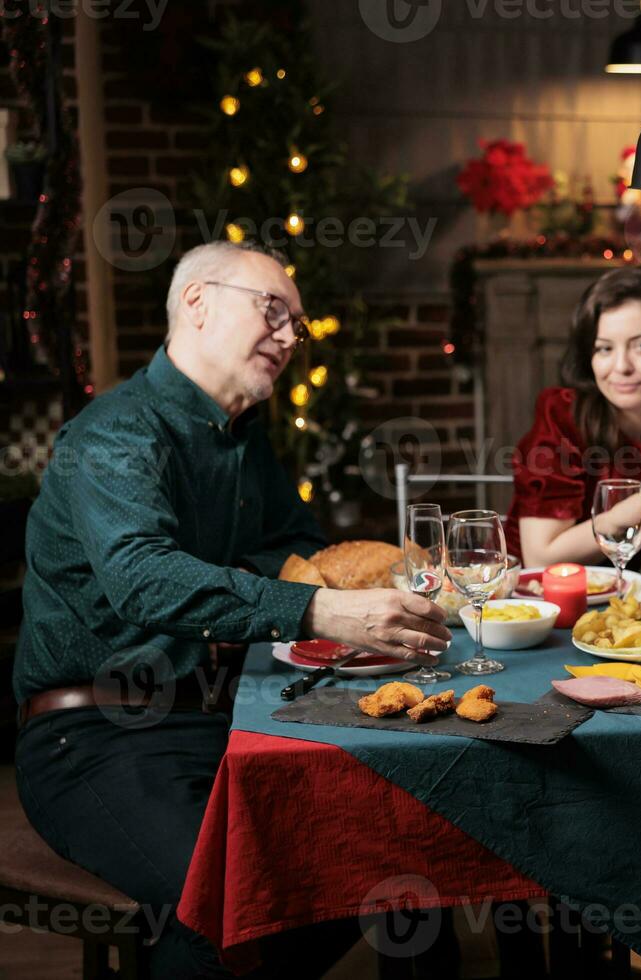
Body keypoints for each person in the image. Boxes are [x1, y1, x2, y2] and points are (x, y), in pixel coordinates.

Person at [14, 241, 452, 979]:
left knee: (401, 863)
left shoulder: (245, 439)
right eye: (272, 310)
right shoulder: (114, 434)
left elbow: (300, 546)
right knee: (231, 905)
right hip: (95, 736)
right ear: (196, 304)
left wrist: (247, 585)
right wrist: (312, 610)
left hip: (227, 720)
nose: (289, 336)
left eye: (298, 325)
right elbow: (144, 581)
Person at [506, 266, 641, 591]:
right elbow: (540, 558)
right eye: (604, 348)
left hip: (630, 605)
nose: (621, 367)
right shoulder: (561, 417)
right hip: (537, 606)